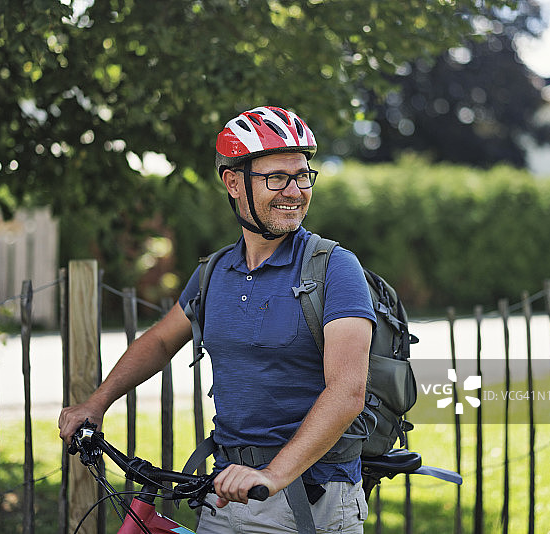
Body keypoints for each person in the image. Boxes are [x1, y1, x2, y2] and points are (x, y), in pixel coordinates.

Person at [59, 105, 376, 533]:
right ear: (233, 183)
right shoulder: (216, 272)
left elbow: (348, 391)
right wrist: (96, 404)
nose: (295, 190)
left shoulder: (334, 268)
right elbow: (158, 342)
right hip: (225, 495)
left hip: (307, 497)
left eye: (302, 175)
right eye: (277, 178)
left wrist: (273, 476)